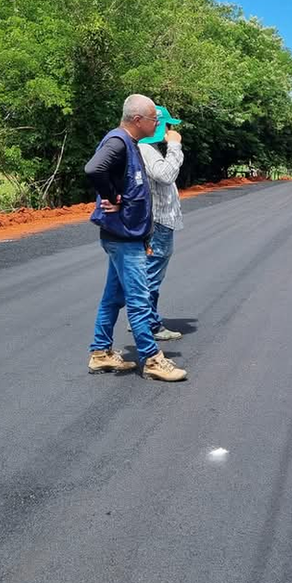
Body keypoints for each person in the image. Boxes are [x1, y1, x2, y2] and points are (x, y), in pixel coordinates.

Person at [85, 94, 187, 382]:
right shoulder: (118, 142)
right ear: (138, 119)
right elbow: (94, 169)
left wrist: (128, 210)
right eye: (154, 119)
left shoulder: (131, 145)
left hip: (129, 234)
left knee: (113, 297)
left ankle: (101, 353)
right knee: (139, 299)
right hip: (122, 238)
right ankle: (152, 359)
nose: (158, 124)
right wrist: (111, 196)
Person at [137, 105, 185, 341]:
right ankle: (150, 325)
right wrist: (175, 146)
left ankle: (143, 319)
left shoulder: (148, 148)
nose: (170, 129)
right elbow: (165, 175)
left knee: (149, 273)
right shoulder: (146, 149)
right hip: (158, 222)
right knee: (152, 275)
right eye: (167, 125)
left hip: (157, 221)